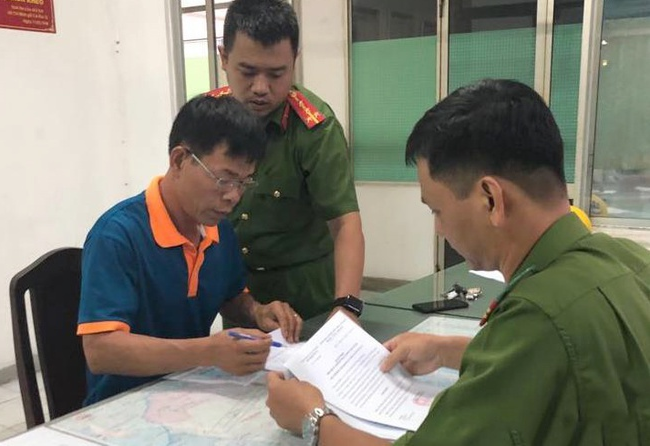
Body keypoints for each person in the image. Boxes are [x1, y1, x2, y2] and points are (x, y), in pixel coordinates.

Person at [266, 79, 650, 445]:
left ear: (490, 199)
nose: (438, 229)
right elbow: (573, 364)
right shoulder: (629, 260)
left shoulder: (538, 318)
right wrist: (449, 351)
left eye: (437, 210)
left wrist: (313, 419)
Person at [77, 95, 301, 405]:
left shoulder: (218, 228)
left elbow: (230, 296)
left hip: (192, 393)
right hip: (122, 405)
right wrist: (209, 351)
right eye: (224, 179)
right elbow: (101, 351)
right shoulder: (118, 236)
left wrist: (257, 312)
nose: (233, 197)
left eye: (244, 183)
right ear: (179, 160)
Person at [208, 0, 365, 321]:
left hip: (307, 297)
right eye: (247, 72)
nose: (261, 88)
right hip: (239, 296)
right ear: (224, 58)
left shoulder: (315, 129)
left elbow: (345, 224)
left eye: (276, 74)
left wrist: (346, 307)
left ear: (294, 61)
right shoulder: (208, 122)